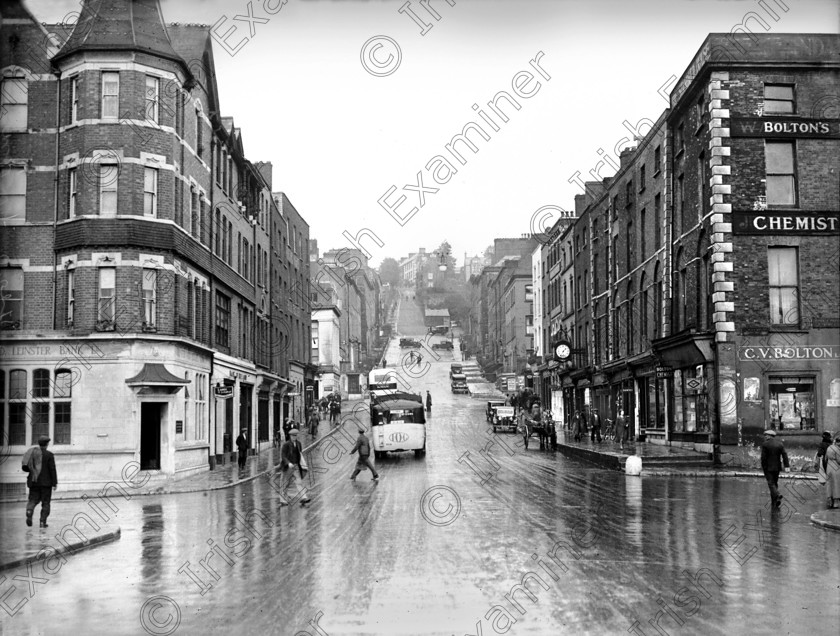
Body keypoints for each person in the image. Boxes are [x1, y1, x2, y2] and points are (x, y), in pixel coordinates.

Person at [22, 435, 58, 528]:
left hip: (34, 481)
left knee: (32, 500)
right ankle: (42, 522)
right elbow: (52, 469)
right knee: (46, 503)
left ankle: (29, 511)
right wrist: (54, 483)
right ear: (47, 444)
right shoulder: (49, 455)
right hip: (46, 483)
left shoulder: (32, 453)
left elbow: (25, 467)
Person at [279, 429, 311, 504]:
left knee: (299, 482)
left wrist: (301, 464)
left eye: (296, 436)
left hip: (296, 466)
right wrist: (288, 463)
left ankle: (304, 497)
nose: (294, 437)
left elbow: (300, 454)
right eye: (293, 436)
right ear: (290, 436)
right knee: (285, 483)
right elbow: (283, 456)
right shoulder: (286, 445)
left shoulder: (299, 444)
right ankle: (282, 499)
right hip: (287, 467)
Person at [760, 429, 790, 509]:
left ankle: (777, 495)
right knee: (774, 483)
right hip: (777, 467)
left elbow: (763, 458)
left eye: (766, 435)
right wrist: (786, 466)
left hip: (768, 467)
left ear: (770, 436)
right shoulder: (780, 444)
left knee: (771, 483)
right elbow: (784, 455)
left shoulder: (765, 444)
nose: (765, 437)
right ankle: (775, 501)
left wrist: (763, 467)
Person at [825, 433, 840, 509]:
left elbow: (825, 458)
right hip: (836, 467)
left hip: (829, 466)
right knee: (836, 483)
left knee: (829, 483)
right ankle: (836, 502)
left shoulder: (829, 447)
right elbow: (839, 460)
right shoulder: (837, 449)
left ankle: (829, 500)